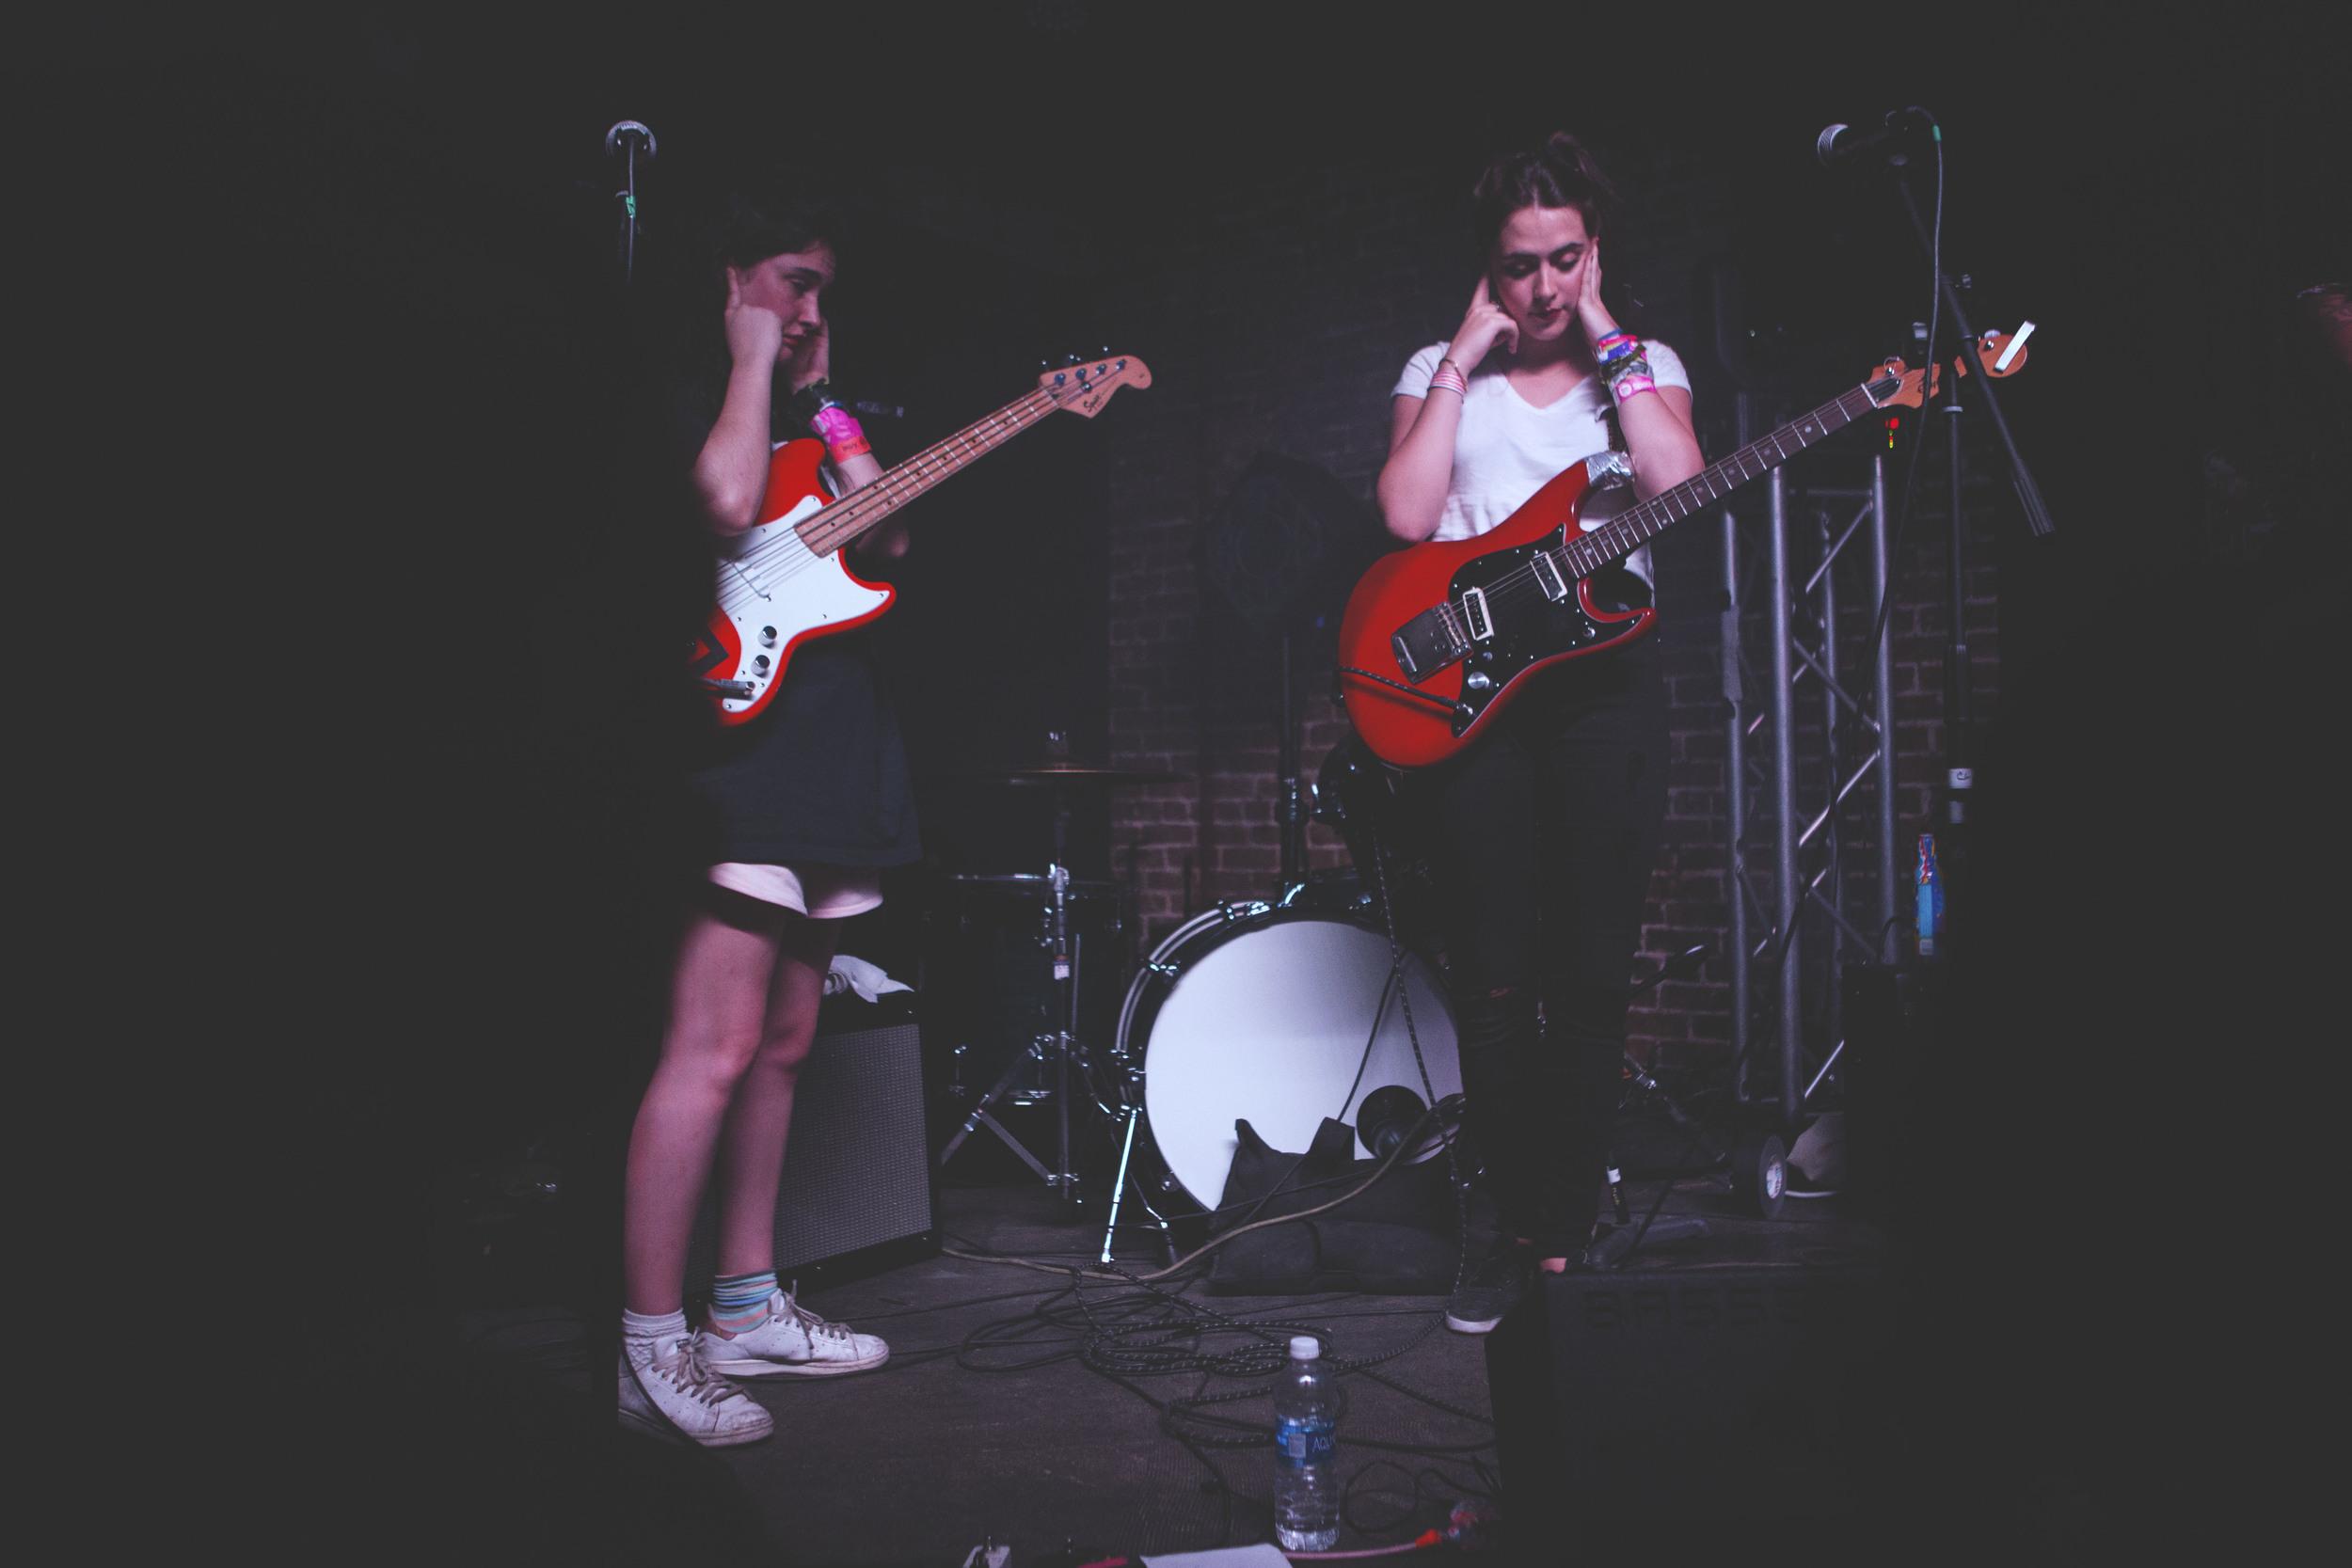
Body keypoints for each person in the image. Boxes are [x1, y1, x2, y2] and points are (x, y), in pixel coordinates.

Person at [1374, 133, 1705, 1334]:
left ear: (1593, 253)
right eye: (1522, 266)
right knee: (1498, 980)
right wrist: (1462, 354)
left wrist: (1612, 336)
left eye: (1567, 258)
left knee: (1591, 978)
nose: (1547, 286)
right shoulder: (1437, 365)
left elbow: (1674, 479)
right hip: (1479, 703)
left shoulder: (1642, 361)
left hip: (1606, 696)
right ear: (1489, 272)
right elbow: (1408, 513)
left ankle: (1567, 1230)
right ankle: (1497, 1228)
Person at [617, 185, 917, 1445]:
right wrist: (749, 354)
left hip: (827, 748)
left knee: (789, 1042)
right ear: (734, 275)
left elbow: (891, 533)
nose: (808, 310)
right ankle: (647, 1344)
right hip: (731, 754)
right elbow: (723, 506)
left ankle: (744, 1304)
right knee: (713, 1045)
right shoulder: (677, 386)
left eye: (820, 293)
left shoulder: (808, 415)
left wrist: (828, 402)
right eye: (792, 281)